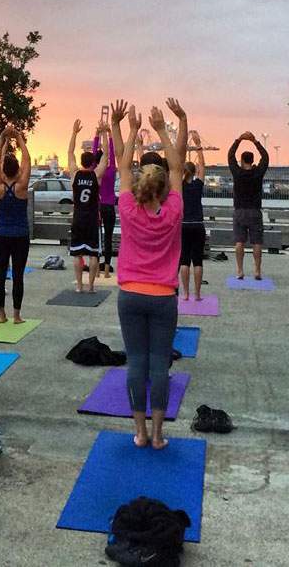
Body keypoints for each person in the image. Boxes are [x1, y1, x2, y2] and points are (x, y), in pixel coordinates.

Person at [111, 98, 187, 450]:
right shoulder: (173, 209)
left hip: (130, 295)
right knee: (159, 366)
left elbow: (122, 166)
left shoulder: (127, 208)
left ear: (142, 187)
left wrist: (122, 128)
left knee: (136, 363)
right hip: (162, 297)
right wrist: (164, 128)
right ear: (165, 190)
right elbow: (177, 165)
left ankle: (139, 433)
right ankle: (158, 435)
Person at [0, 124, 31, 324]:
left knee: (0, 274)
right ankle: (16, 315)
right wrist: (19, 138)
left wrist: (2, 140)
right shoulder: (22, 186)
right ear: (17, 170)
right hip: (20, 235)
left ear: (4, 171)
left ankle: (1, 314)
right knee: (17, 275)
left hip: (1, 235)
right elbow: (27, 159)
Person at [68, 120, 109, 292]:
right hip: (92, 218)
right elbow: (106, 155)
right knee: (93, 254)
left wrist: (74, 132)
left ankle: (79, 286)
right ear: (93, 162)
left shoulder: (74, 174)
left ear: (81, 162)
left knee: (77, 253)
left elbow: (70, 152)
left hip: (78, 217)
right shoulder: (96, 175)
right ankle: (91, 286)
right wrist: (104, 133)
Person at [228, 132, 269, 280]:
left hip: (239, 211)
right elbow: (266, 158)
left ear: (241, 160)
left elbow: (230, 156)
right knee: (257, 242)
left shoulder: (237, 172)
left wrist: (238, 139)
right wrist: (255, 141)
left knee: (239, 241)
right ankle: (257, 270)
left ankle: (239, 270)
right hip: (255, 211)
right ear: (252, 161)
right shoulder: (258, 173)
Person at [179, 131, 207, 301]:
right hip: (198, 224)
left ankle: (186, 294)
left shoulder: (179, 185)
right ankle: (197, 294)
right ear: (194, 171)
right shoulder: (198, 184)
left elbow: (177, 167)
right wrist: (198, 146)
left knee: (184, 260)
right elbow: (203, 166)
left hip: (183, 224)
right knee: (197, 260)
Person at [93, 124, 118, 277]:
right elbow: (112, 153)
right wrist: (109, 135)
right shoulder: (111, 170)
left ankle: (95, 271)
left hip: (97, 207)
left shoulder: (95, 171)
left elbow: (94, 152)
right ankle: (107, 270)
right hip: (109, 207)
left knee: (96, 238)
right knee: (108, 238)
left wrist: (97, 135)